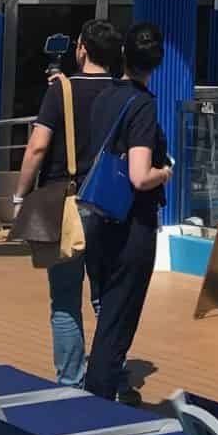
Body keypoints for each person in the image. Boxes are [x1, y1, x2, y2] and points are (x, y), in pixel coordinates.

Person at [12, 19, 122, 386]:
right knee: (107, 299)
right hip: (110, 205)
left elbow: (37, 146)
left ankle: (70, 382)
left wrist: (20, 195)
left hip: (66, 202)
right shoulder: (123, 93)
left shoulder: (62, 90)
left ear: (82, 49)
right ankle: (111, 378)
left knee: (65, 300)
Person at [82, 22, 174, 403]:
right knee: (118, 320)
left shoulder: (104, 97)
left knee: (107, 312)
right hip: (132, 224)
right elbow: (139, 175)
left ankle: (102, 387)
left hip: (98, 217)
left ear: (123, 55)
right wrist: (164, 172)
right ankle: (99, 399)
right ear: (157, 63)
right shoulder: (143, 104)